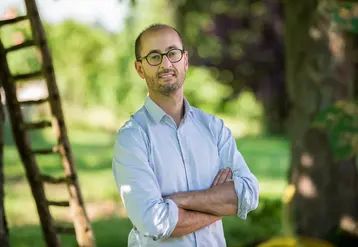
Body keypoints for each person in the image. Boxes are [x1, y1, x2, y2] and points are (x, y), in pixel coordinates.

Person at [112, 23, 259, 247]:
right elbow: (156, 222)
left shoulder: (214, 129)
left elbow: (248, 194)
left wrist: (179, 201)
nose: (166, 64)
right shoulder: (132, 139)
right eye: (154, 57)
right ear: (140, 69)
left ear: (185, 60)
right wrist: (217, 204)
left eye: (173, 53)